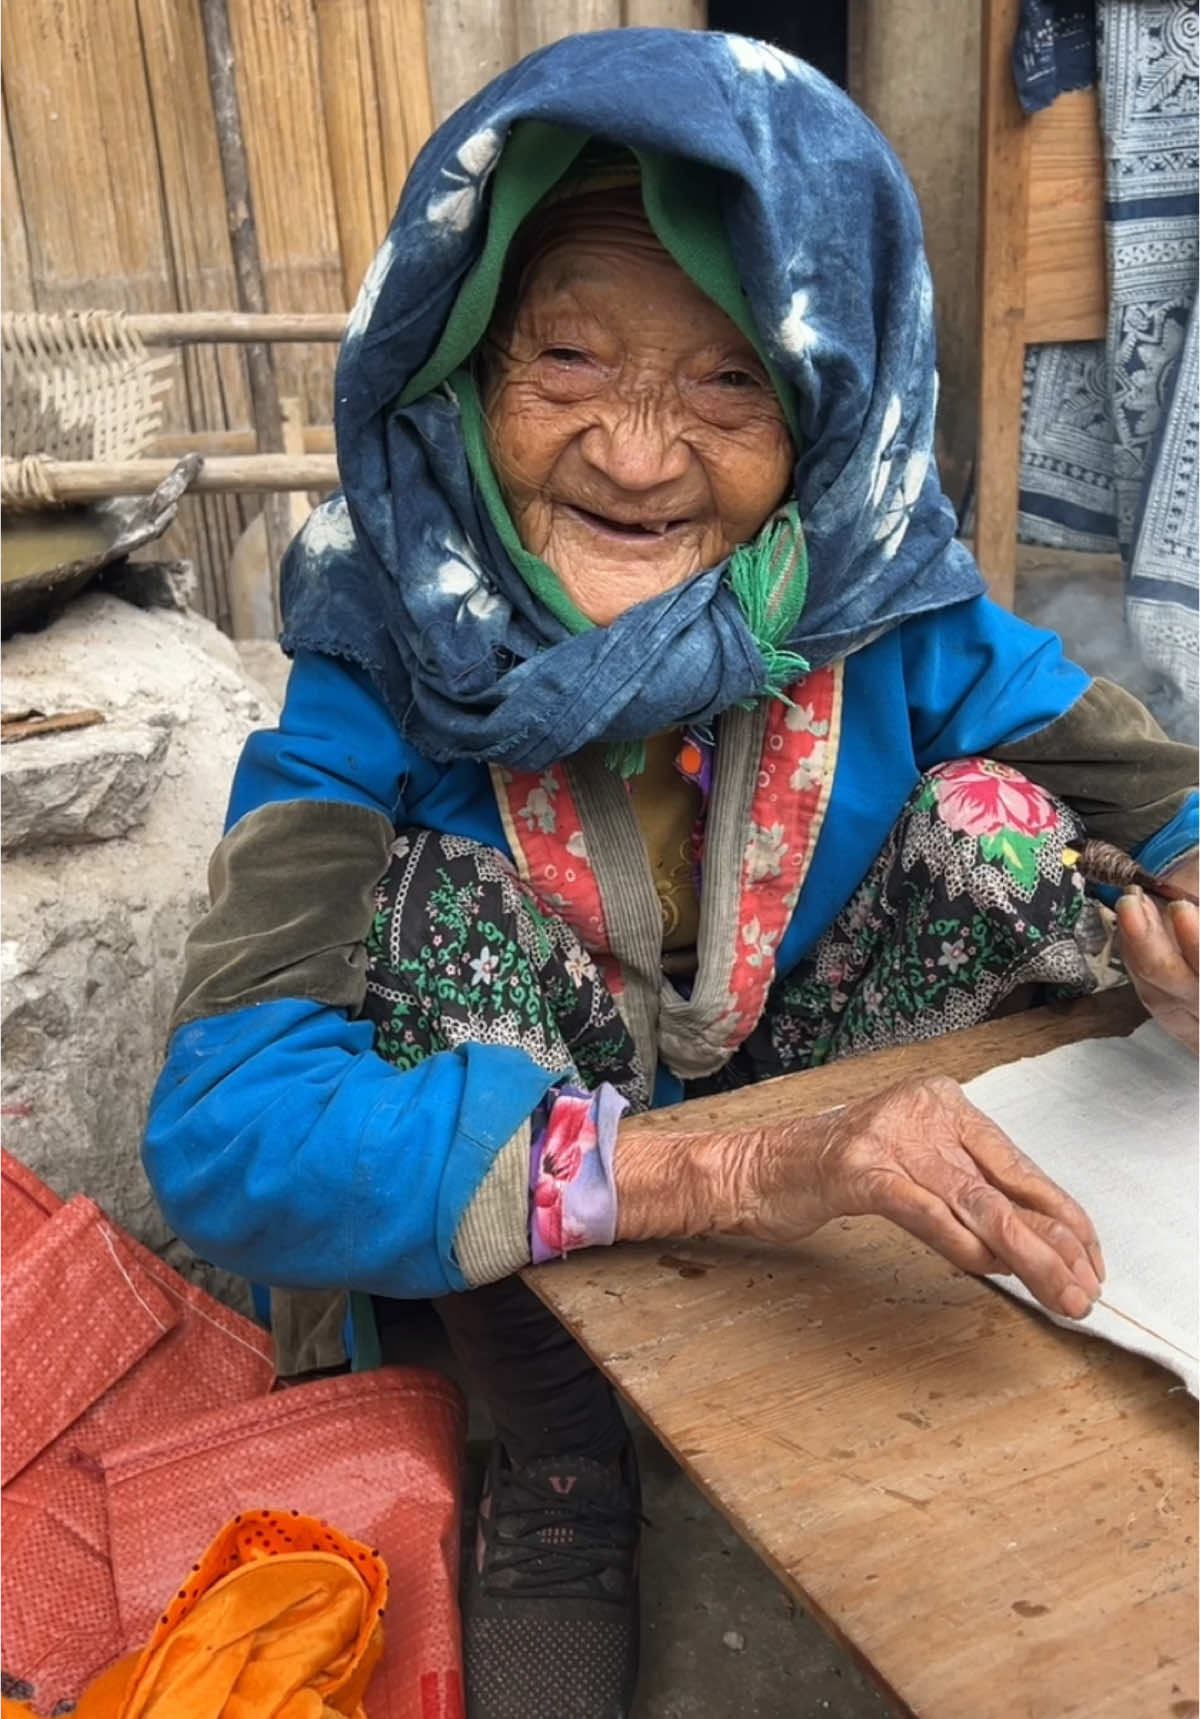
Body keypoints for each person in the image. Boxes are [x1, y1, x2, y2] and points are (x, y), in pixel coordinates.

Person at [143, 30, 1199, 1719]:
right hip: (563, 1185)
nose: (636, 457)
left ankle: (852, 1349)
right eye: (566, 356)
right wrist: (727, 1176)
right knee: (423, 923)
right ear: (465, 362)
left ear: (831, 412)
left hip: (810, 1127)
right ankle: (562, 1459)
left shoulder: (878, 592)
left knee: (1008, 830)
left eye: (728, 384)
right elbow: (225, 1124)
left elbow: (1159, 793)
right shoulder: (382, 644)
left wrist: (1181, 925)